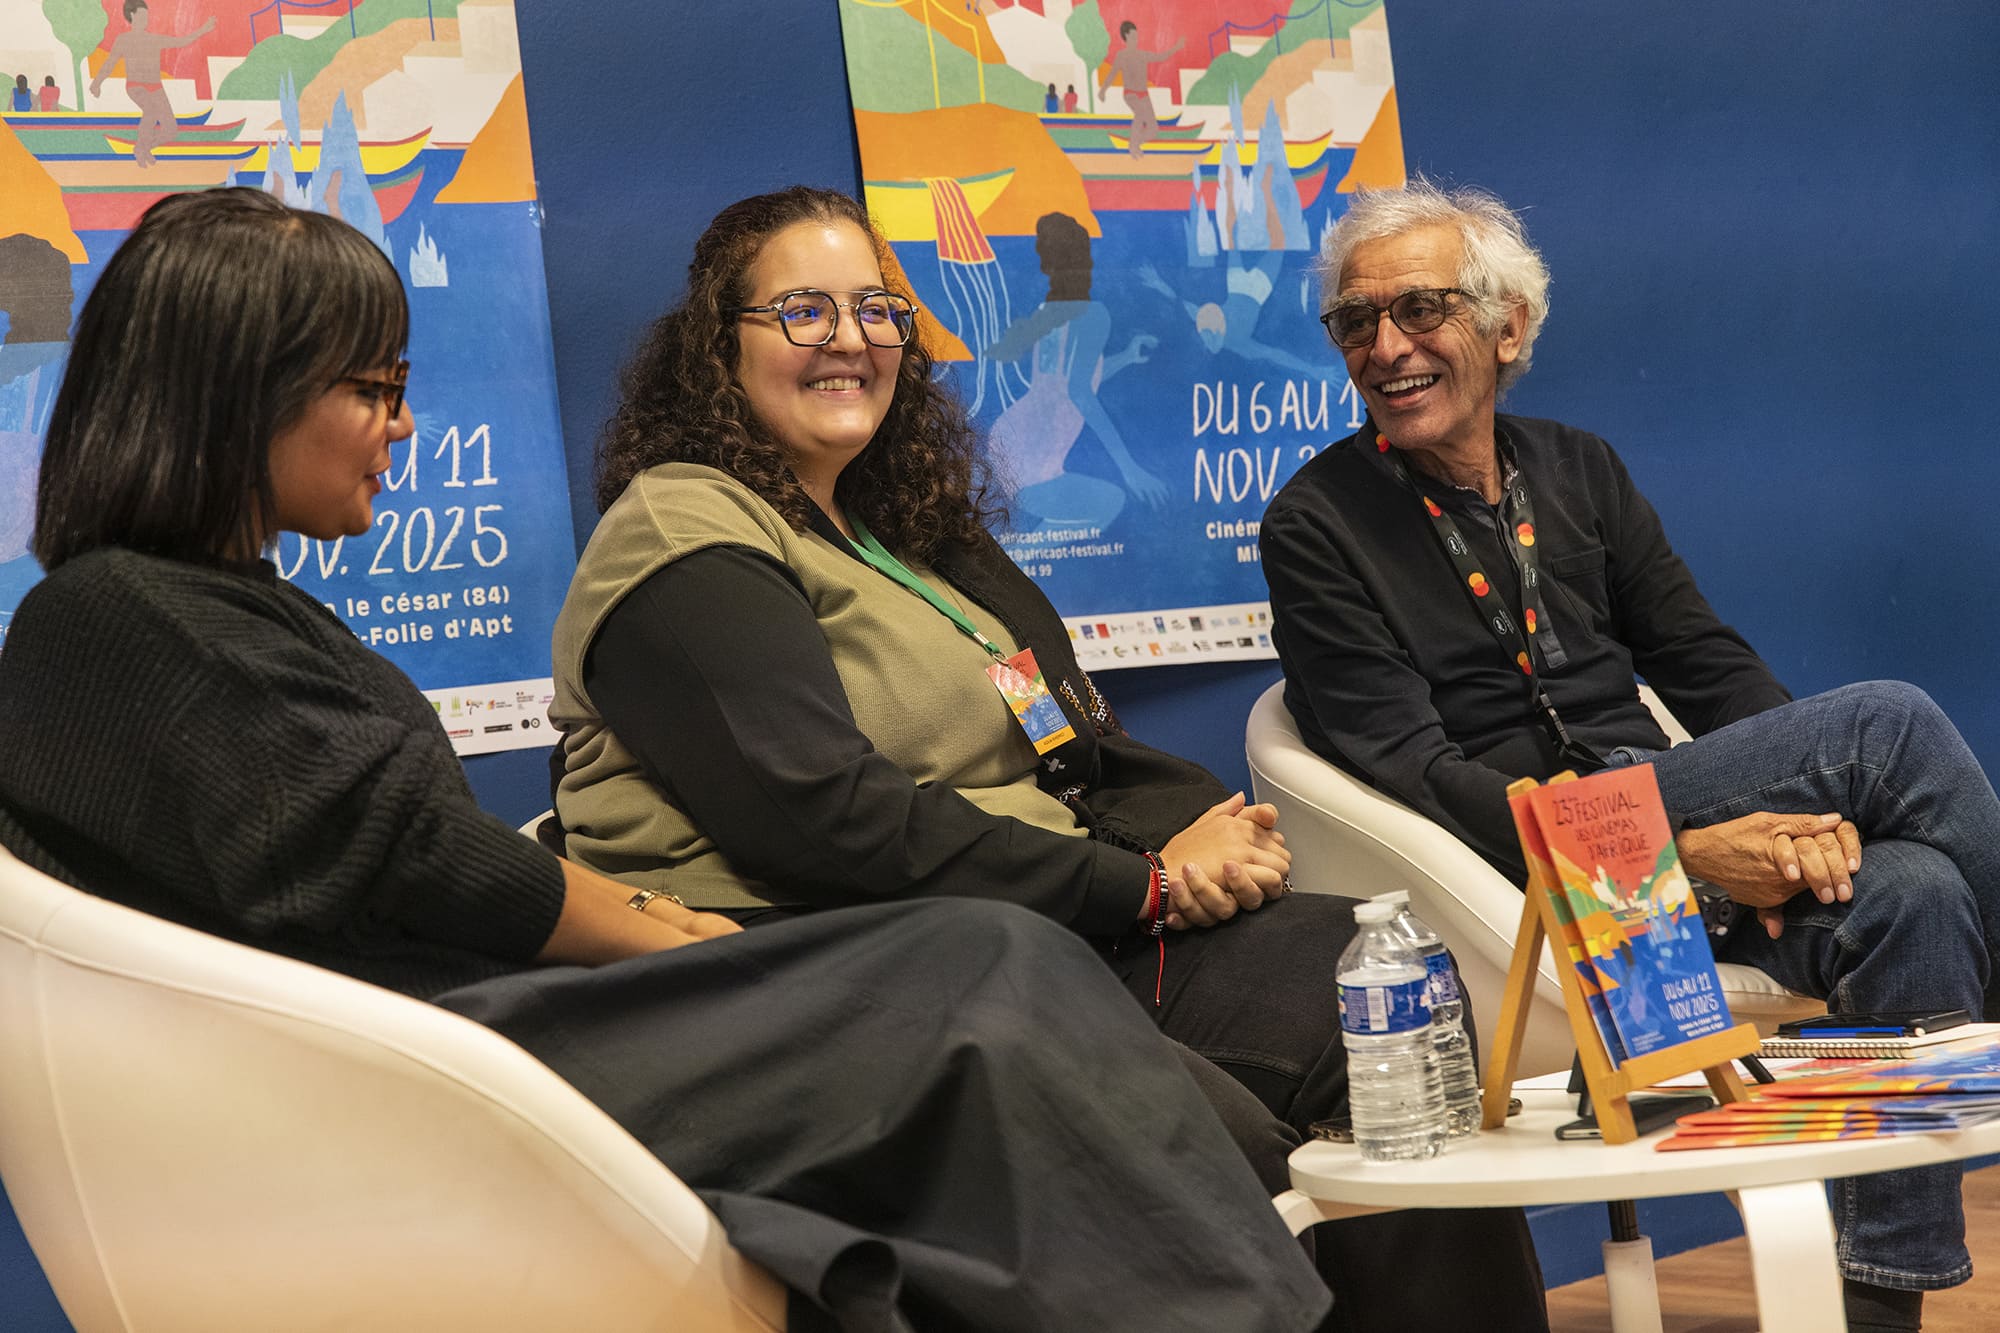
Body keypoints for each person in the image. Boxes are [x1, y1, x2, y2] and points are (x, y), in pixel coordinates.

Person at [0, 186, 1339, 1333]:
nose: (401, 428)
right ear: (236, 394)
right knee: (985, 969)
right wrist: (668, 934)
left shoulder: (209, 606)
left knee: (1090, 1000)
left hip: (449, 1049)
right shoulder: (111, 617)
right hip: (412, 1085)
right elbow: (416, 856)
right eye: (373, 390)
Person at [550, 184, 1551, 1330]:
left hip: (1044, 931)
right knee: (1212, 1138)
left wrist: (1193, 830)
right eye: (803, 311)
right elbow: (823, 819)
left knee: (1384, 999)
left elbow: (1072, 737)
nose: (849, 341)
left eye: (876, 310)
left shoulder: (900, 524)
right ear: (717, 347)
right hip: (846, 974)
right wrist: (1145, 886)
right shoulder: (685, 529)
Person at [1260, 178, 2000, 1333]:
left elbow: (1702, 664)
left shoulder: (1576, 468)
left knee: (1912, 890)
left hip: (1650, 808)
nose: (1383, 345)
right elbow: (1415, 772)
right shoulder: (1314, 524)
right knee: (1886, 724)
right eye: (1355, 320)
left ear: (1506, 327)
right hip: (1521, 873)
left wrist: (1805, 824)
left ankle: (1876, 1312)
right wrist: (1678, 850)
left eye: (1418, 309)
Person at [983, 209, 1167, 531]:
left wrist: (1125, 357)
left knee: (1091, 508)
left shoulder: (1050, 311)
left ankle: (1027, 556)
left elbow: (1062, 382)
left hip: (1010, 442)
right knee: (1110, 501)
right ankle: (1028, 556)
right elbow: (1079, 391)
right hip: (1036, 457)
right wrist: (1129, 467)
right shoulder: (1092, 315)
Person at [89, 0, 214, 166]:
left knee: (171, 130)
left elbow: (181, 41)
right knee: (151, 111)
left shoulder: (154, 39)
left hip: (156, 87)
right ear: (132, 15)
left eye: (147, 16)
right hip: (136, 86)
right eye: (143, 15)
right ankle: (141, 150)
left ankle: (143, 148)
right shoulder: (124, 40)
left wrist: (203, 30)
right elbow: (110, 63)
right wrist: (96, 83)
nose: (146, 19)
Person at [1098, 21, 1182, 157]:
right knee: (1140, 114)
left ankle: (1134, 142)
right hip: (1130, 94)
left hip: (1144, 94)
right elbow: (1112, 74)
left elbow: (1160, 57)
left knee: (1153, 130)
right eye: (1133, 37)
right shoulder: (1122, 55)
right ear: (1126, 36)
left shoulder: (1142, 54)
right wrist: (1103, 91)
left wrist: (1176, 48)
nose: (1136, 40)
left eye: (1137, 37)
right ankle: (1133, 146)